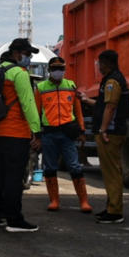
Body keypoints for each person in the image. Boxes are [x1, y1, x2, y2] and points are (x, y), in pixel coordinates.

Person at [0, 38, 42, 233]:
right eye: (28, 54)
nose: (29, 58)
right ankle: (14, 220)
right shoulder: (18, 73)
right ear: (18, 54)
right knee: (14, 177)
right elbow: (28, 104)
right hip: (15, 133)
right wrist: (37, 131)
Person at [36, 56, 92, 213]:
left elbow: (78, 111)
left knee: (75, 166)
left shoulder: (71, 86)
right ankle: (54, 201)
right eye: (55, 68)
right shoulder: (41, 88)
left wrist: (82, 131)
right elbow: (36, 113)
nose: (58, 71)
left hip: (67, 132)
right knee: (50, 167)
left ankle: (84, 201)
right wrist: (36, 135)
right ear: (49, 70)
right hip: (49, 133)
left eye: (61, 68)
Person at [92, 49, 129, 224]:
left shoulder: (113, 81)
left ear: (106, 63)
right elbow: (104, 104)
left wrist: (103, 130)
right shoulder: (112, 79)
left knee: (112, 173)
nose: (98, 66)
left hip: (111, 132)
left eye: (100, 63)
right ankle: (111, 206)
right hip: (113, 130)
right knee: (110, 172)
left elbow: (110, 107)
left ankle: (115, 211)